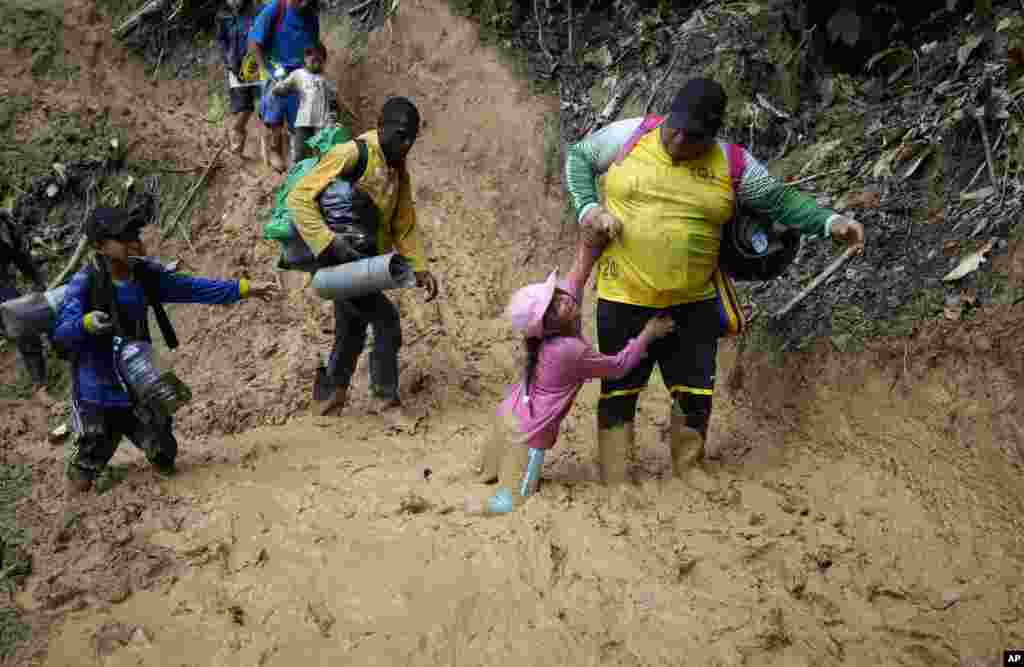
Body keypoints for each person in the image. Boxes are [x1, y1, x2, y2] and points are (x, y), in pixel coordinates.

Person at [563, 77, 866, 485]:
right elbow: (578, 156)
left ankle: (689, 467)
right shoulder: (632, 136)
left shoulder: (733, 163)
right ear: (667, 117)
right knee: (619, 385)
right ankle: (616, 471)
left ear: (713, 134)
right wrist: (587, 208)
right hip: (624, 295)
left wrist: (831, 222)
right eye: (675, 128)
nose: (678, 140)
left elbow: (780, 202)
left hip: (694, 299)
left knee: (694, 390)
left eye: (693, 136)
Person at [53, 207, 276, 497]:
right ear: (99, 247)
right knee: (89, 461)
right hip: (98, 390)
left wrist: (244, 288)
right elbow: (61, 333)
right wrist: (85, 323)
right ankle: (75, 509)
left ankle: (172, 498)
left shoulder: (145, 276)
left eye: (132, 234)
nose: (132, 241)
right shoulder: (84, 285)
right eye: (121, 237)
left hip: (140, 382)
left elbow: (192, 288)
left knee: (163, 450)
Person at [468, 253, 676, 515]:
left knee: (487, 474)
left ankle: (485, 480)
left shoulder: (547, 340)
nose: (565, 300)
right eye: (554, 306)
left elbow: (573, 284)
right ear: (549, 326)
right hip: (527, 435)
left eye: (558, 295)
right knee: (512, 500)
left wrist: (589, 250)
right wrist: (648, 334)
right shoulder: (569, 350)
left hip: (507, 415)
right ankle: (459, 509)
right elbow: (618, 366)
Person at [287, 96, 439, 416]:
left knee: (352, 329)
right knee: (386, 321)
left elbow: (404, 223)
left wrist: (420, 268)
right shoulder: (352, 153)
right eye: (400, 134)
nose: (406, 143)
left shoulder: (399, 171)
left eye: (411, 137)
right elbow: (299, 196)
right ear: (380, 125)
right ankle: (386, 401)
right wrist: (328, 242)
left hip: (365, 263)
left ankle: (328, 398)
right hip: (338, 261)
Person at [248, 0, 322, 172]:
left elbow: (314, 48)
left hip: (300, 73)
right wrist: (263, 70)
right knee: (274, 110)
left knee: (301, 119)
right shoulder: (276, 9)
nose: (304, 3)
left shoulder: (312, 17)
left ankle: (299, 158)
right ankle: (274, 149)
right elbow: (254, 42)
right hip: (275, 70)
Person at [0, 211, 48, 389]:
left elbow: (21, 256)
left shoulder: (6, 225)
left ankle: (39, 381)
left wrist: (38, 281)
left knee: (19, 320)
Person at [271, 43, 339, 167]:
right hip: (303, 121)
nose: (316, 64)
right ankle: (298, 179)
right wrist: (278, 86)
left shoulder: (327, 78)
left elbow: (333, 100)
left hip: (323, 123)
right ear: (306, 59)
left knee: (324, 153)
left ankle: (323, 179)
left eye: (320, 61)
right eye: (313, 60)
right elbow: (284, 88)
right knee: (299, 154)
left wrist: (333, 116)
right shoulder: (298, 75)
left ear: (324, 61)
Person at [216, 0, 262, 156]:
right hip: (235, 66)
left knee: (266, 103)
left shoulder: (257, 10)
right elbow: (221, 40)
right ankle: (237, 142)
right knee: (244, 108)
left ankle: (271, 150)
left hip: (257, 64)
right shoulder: (223, 15)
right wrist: (227, 59)